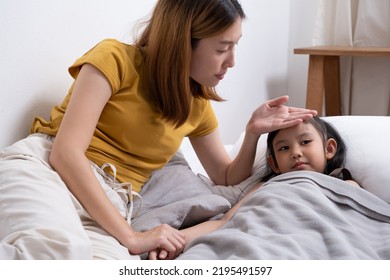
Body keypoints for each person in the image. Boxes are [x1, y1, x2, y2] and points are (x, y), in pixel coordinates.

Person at [0, 0, 316, 260]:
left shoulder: (197, 105)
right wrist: (131, 237)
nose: (232, 61)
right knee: (50, 251)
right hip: (47, 171)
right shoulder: (114, 59)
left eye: (235, 47)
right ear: (182, 42)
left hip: (111, 202)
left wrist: (252, 132)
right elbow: (66, 154)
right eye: (222, 48)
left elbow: (224, 176)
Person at [149, 116, 359, 259]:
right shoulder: (264, 187)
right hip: (257, 240)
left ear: (329, 148)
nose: (295, 152)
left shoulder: (344, 185)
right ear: (274, 163)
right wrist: (174, 241)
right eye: (284, 148)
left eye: (305, 142)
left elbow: (355, 226)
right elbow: (225, 222)